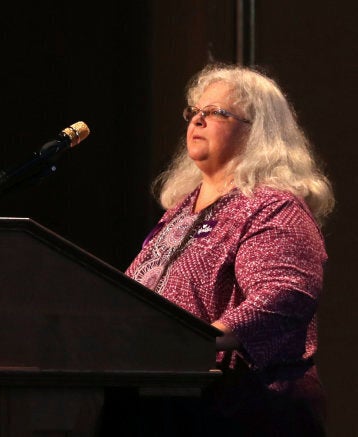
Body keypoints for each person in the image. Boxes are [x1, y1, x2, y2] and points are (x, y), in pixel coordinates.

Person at [125, 63, 334, 435]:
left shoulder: (272, 206)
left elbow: (281, 296)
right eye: (195, 112)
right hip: (163, 399)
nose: (198, 121)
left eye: (216, 112)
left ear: (259, 133)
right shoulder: (180, 210)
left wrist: (193, 342)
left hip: (241, 408)